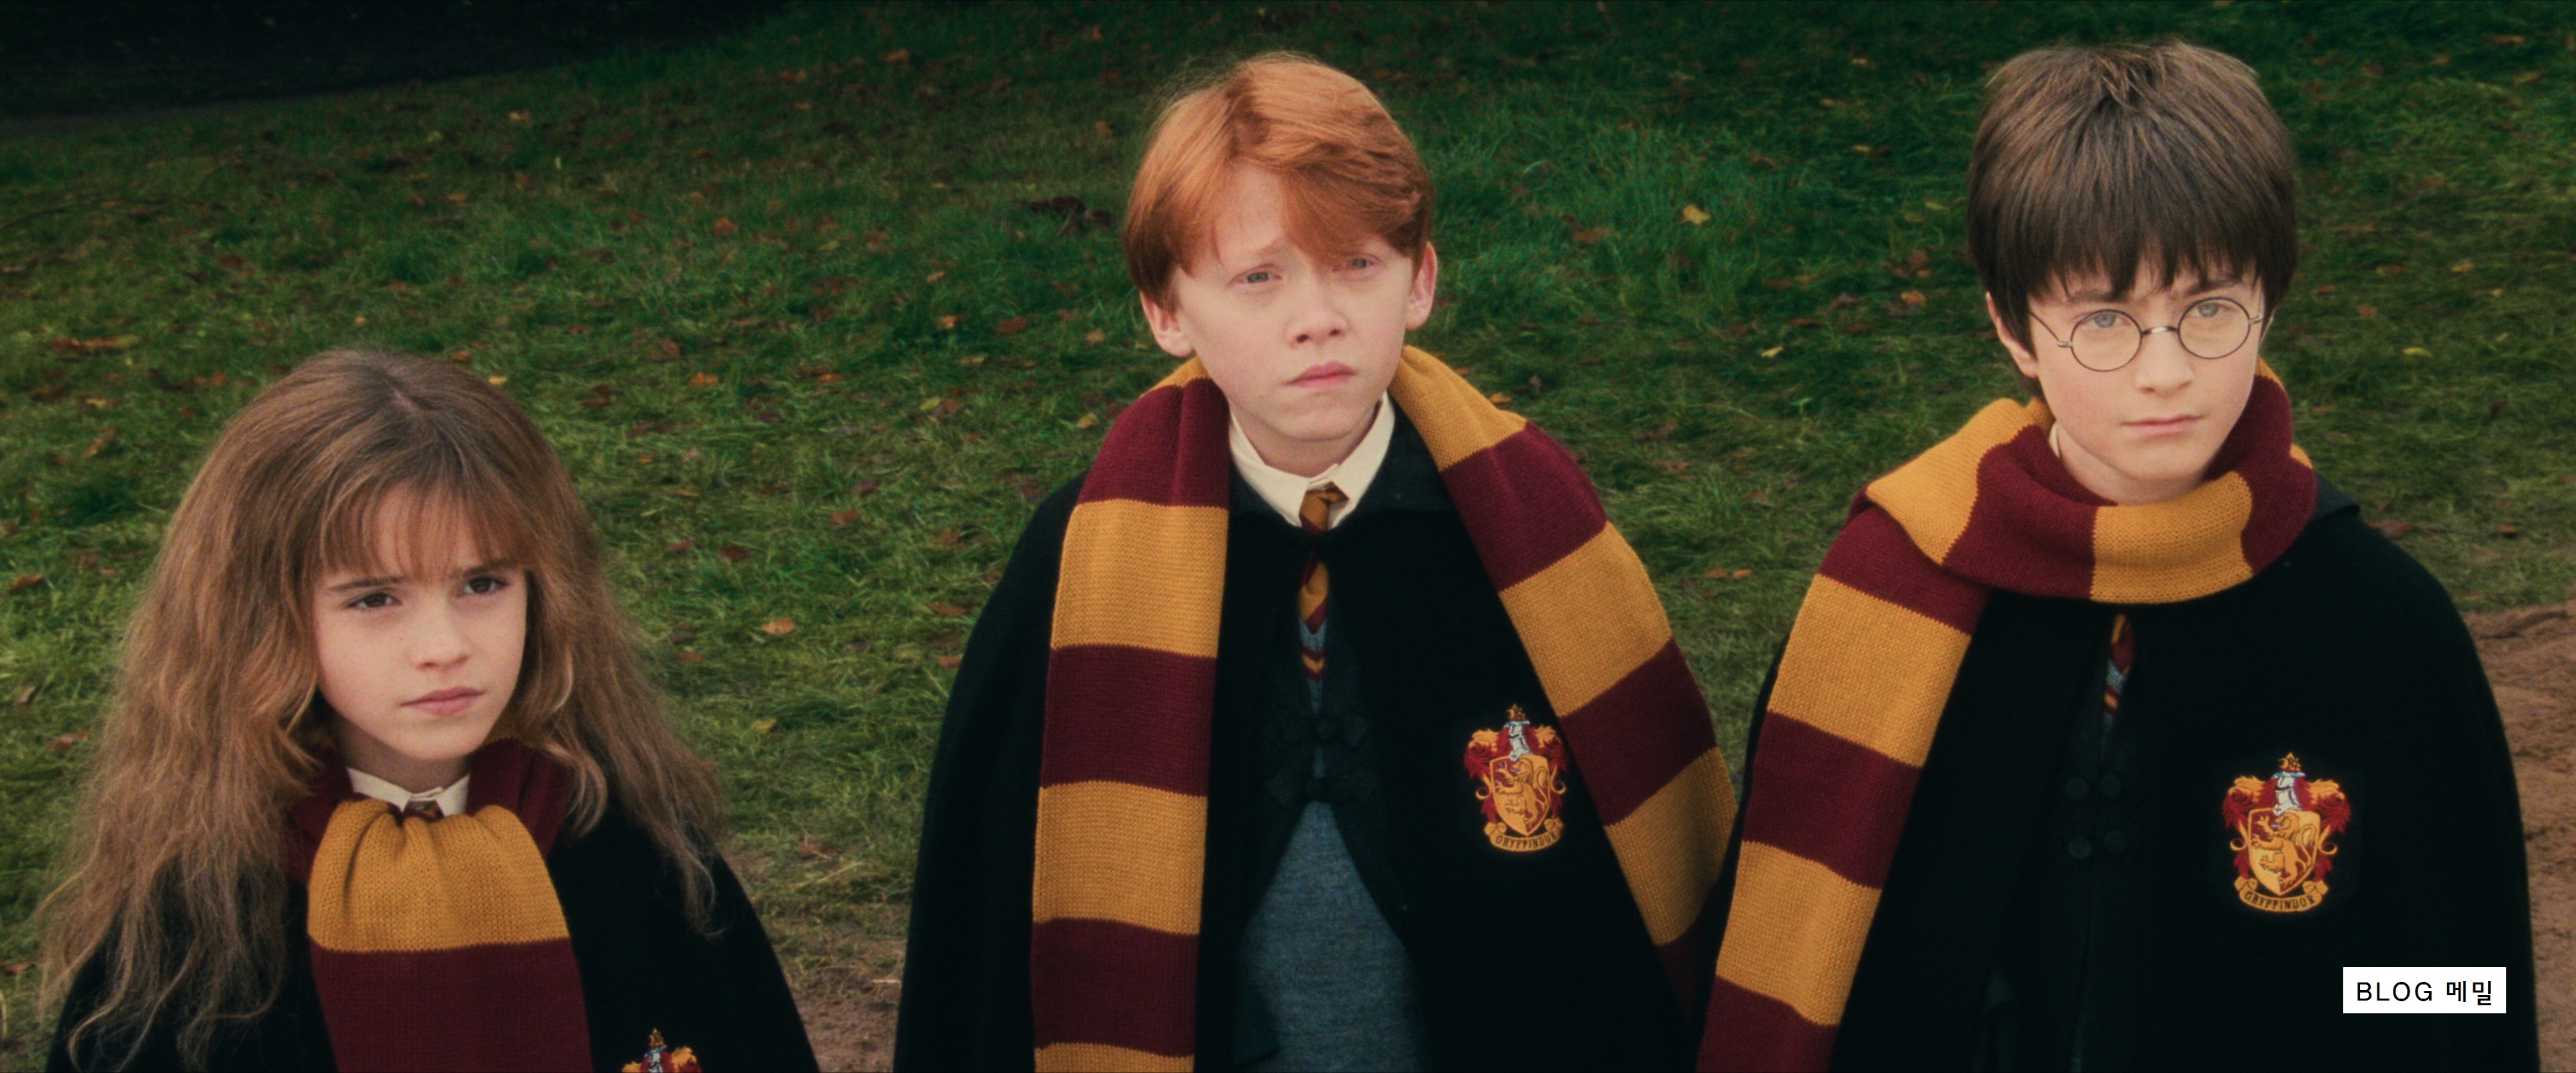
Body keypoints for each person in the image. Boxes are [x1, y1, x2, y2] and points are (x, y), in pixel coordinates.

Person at [1699, 42, 2537, 1071]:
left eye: (2209, 309)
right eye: (2105, 320)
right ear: (2013, 328)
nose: (2164, 372)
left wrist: (2323, 1000)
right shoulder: (1895, 591)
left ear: (2271, 298)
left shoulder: (2380, 624)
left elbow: (2457, 976)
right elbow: (1809, 950)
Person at [896, 53, 1735, 1072]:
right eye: (1259, 277)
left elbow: (1634, 904)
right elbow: (984, 920)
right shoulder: (1082, 565)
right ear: (1167, 312)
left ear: (1421, 281)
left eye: (1357, 265)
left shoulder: (1529, 542)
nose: (1318, 318)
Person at [41, 350, 818, 1072]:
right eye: (375, 598)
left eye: (482, 583)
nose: (444, 647)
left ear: (546, 591)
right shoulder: (201, 926)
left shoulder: (637, 856)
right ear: (261, 617)